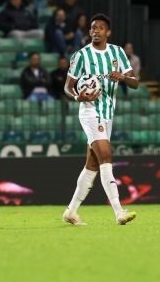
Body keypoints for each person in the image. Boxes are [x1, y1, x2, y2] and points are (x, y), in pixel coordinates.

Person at [61, 13, 139, 226]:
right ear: (90, 32)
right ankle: (118, 211)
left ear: (108, 32)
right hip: (89, 111)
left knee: (92, 165)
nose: (96, 31)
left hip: (107, 113)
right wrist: (78, 96)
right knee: (106, 155)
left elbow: (135, 82)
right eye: (93, 28)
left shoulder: (117, 53)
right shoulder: (81, 56)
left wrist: (122, 77)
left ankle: (71, 211)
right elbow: (68, 86)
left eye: (101, 28)